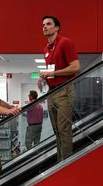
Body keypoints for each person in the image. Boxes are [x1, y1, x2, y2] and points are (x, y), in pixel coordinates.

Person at [39, 15, 80, 161]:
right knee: (57, 131)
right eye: (43, 24)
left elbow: (75, 67)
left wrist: (53, 73)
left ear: (56, 28)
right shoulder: (46, 48)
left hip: (65, 90)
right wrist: (43, 77)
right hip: (52, 92)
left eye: (48, 24)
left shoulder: (65, 42)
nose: (44, 26)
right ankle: (60, 162)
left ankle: (67, 163)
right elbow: (53, 70)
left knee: (64, 130)